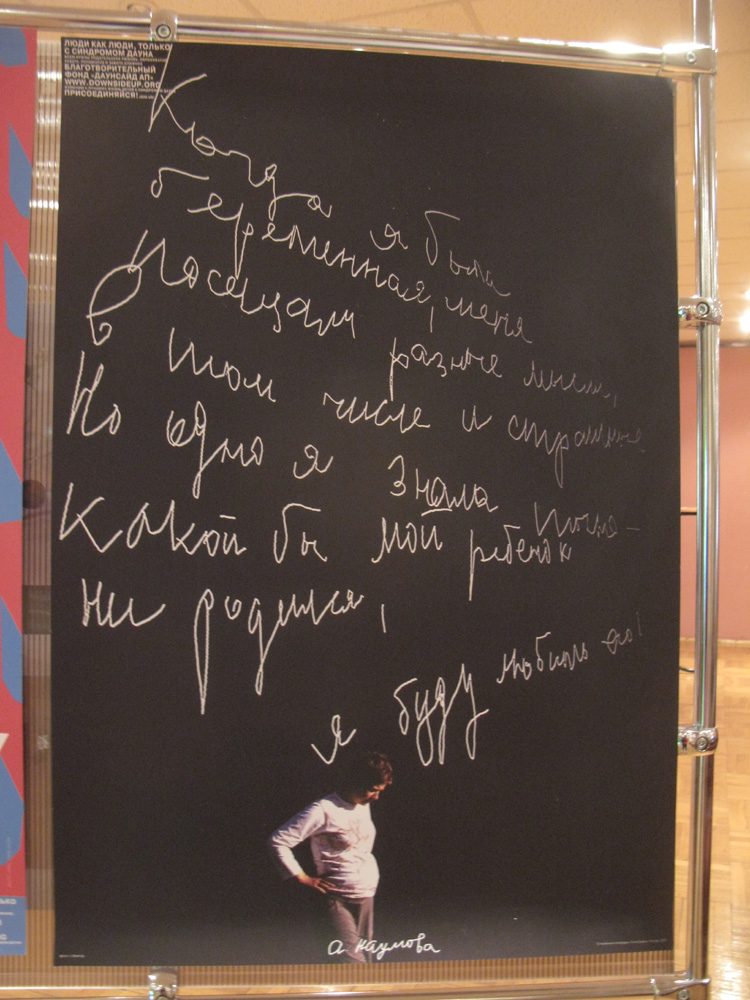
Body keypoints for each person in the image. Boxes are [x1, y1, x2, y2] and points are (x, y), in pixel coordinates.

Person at [268, 751, 393, 963]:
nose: (376, 797)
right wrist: (302, 877)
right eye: (373, 789)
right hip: (336, 899)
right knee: (353, 966)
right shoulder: (324, 810)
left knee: (368, 968)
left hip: (366, 896)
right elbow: (278, 841)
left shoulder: (363, 805)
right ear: (355, 781)